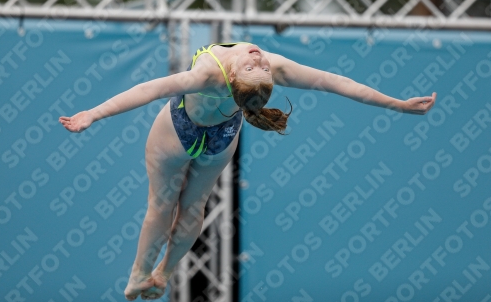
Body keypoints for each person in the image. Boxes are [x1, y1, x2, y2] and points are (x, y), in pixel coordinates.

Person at [59, 42, 437, 300]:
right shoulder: (246, 71)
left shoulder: (212, 72)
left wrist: (94, 113)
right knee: (183, 207)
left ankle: (149, 275)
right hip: (220, 137)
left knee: (170, 206)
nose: (258, 59)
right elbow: (337, 83)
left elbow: (151, 89)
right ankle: (153, 276)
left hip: (182, 131)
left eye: (256, 67)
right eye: (258, 67)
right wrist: (396, 104)